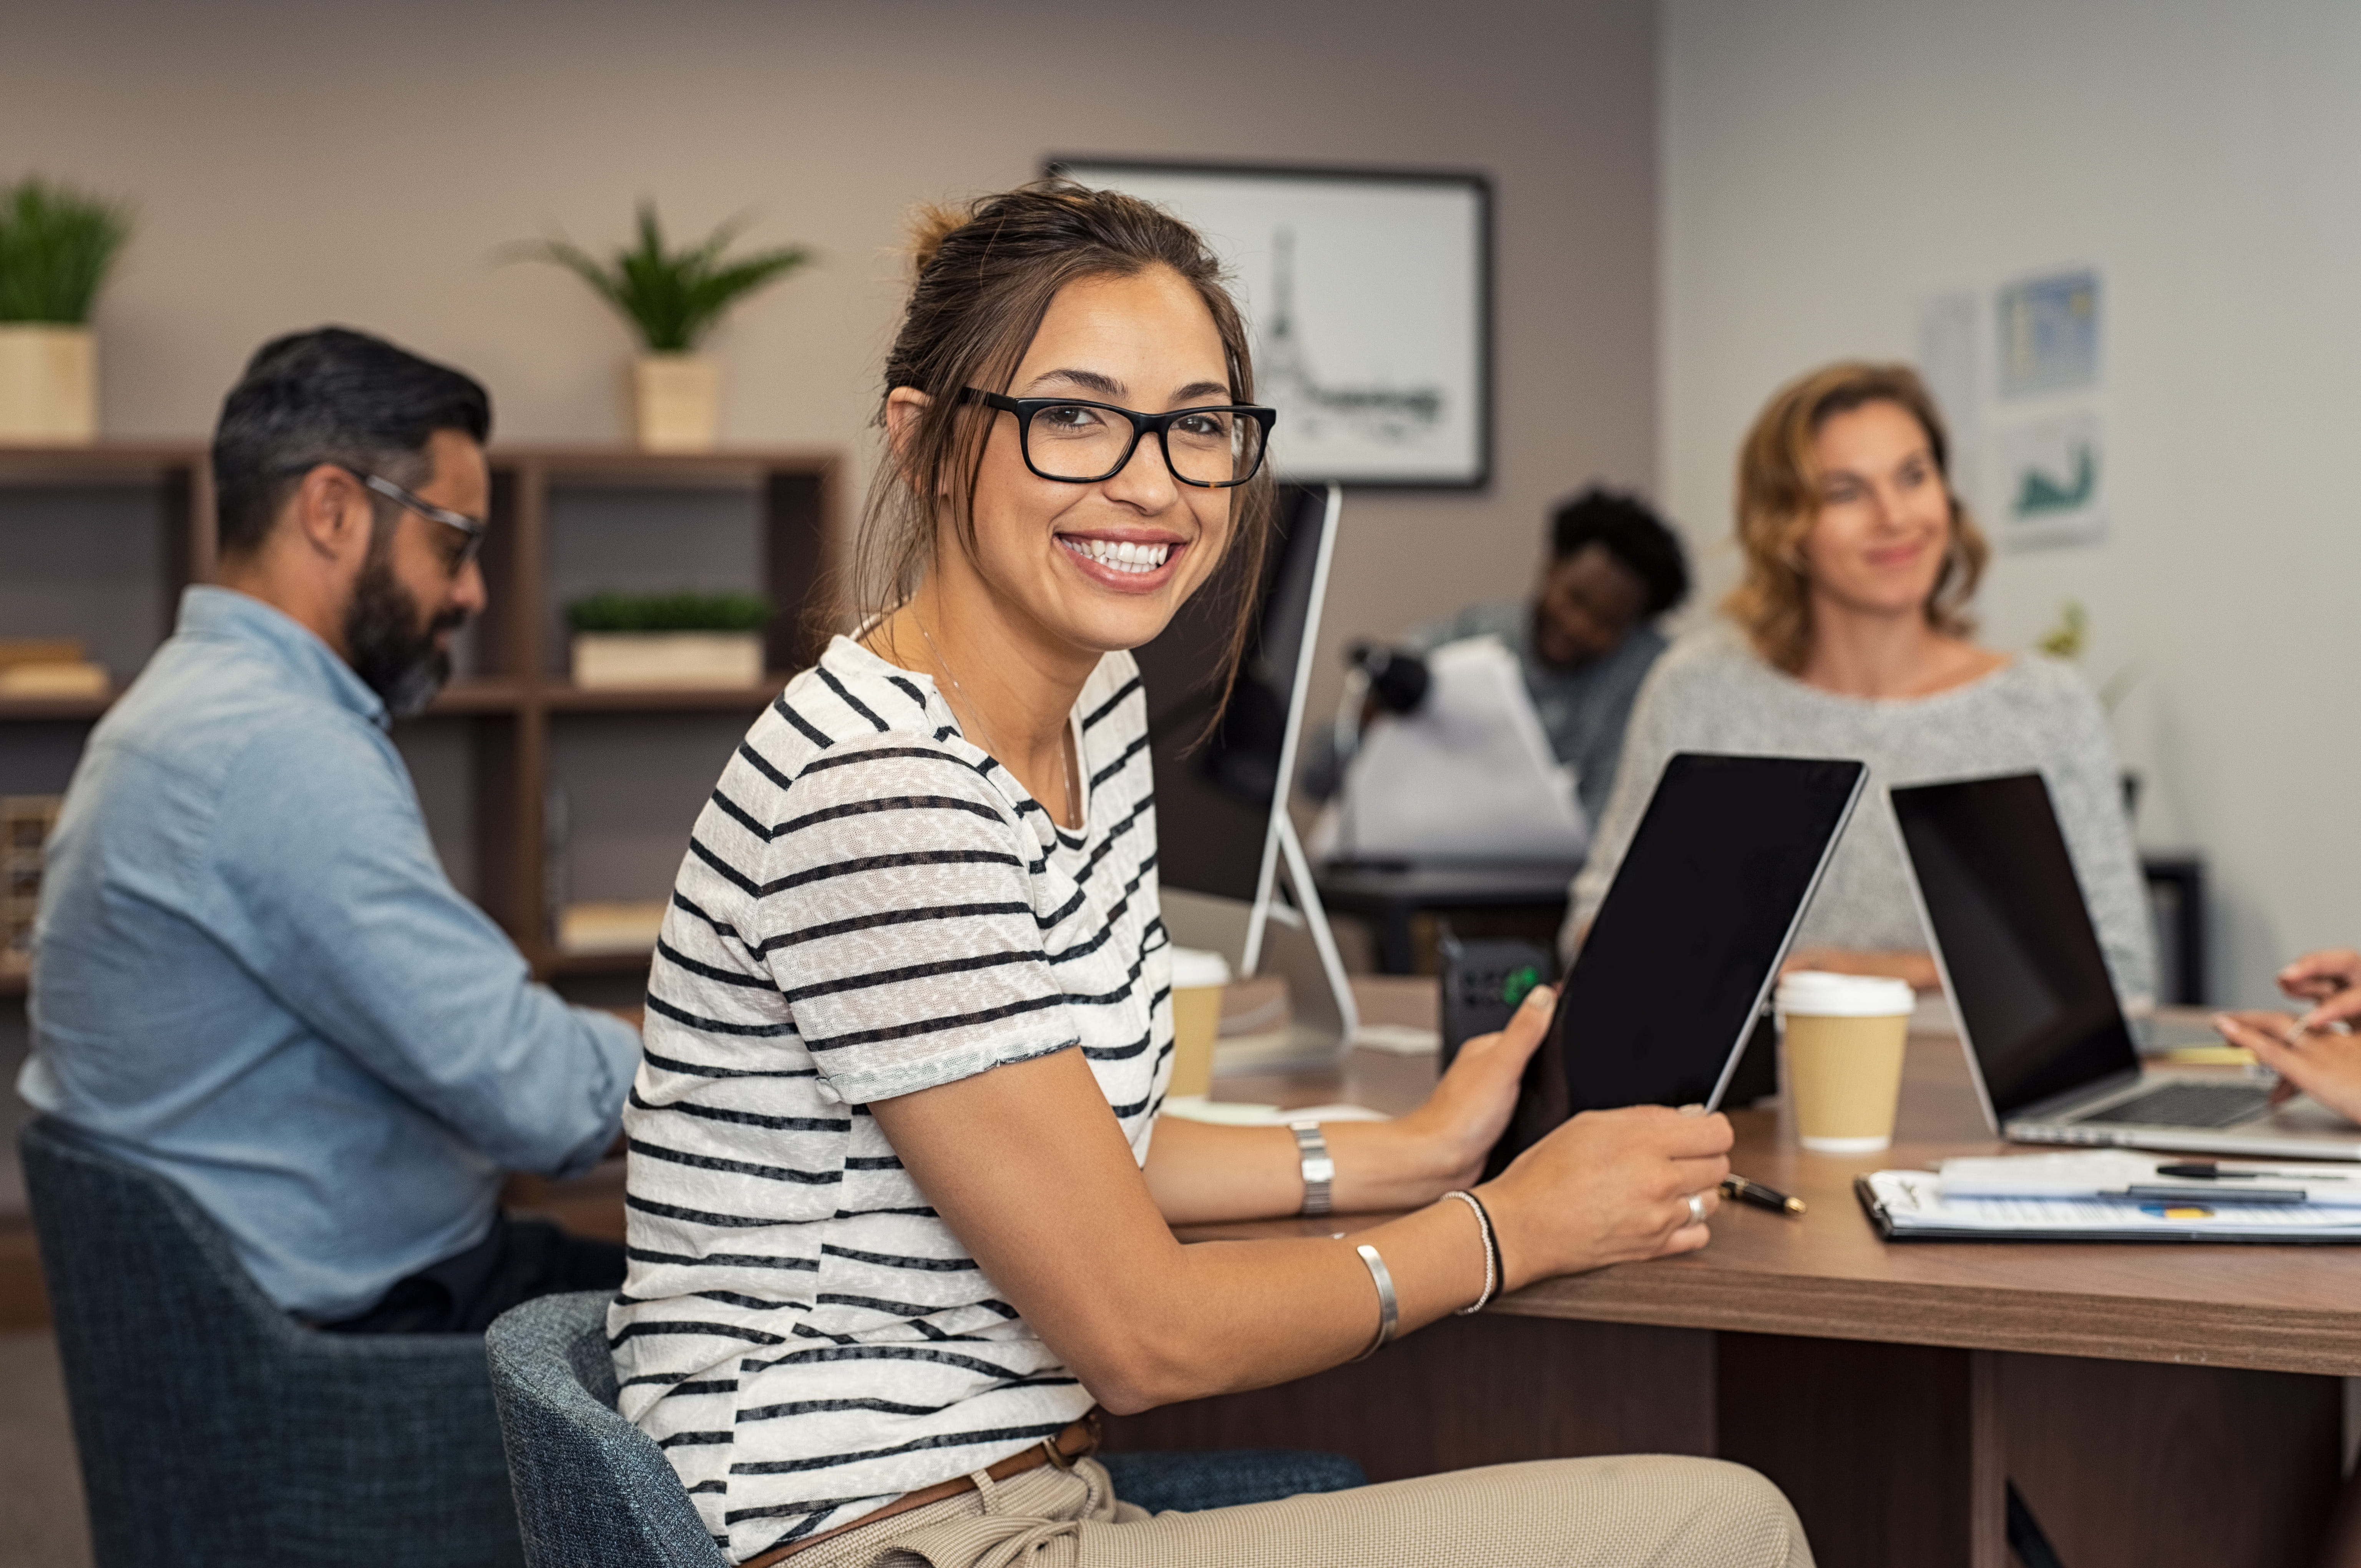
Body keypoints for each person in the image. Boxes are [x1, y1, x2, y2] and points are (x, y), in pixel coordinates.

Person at [610, 182, 1810, 1568]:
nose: (1153, 480)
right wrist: (1504, 1226)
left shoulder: (1094, 703)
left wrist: (1401, 1148)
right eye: (1071, 414)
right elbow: (1141, 1329)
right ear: (928, 439)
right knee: (1723, 1523)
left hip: (1028, 1496)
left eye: (1195, 424)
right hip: (891, 1537)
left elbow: (1078, 1148)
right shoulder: (877, 790)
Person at [22, 327, 640, 1332]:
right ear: (334, 511)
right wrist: (724, 1050)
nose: (473, 592)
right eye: (455, 543)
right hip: (372, 1338)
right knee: (794, 1320)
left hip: (262, 1318)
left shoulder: (178, 712)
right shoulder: (272, 749)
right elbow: (541, 1099)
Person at [1564, 361, 2154, 1001]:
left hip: (1978, 1096)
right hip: (1749, 1095)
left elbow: (2121, 976)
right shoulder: (1698, 690)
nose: (1894, 516)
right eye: (1845, 492)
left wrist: (1864, 975)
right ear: (1783, 528)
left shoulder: (2046, 707)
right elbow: (1594, 931)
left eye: (1913, 476)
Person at [1300, 486, 1689, 828]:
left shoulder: (1648, 675)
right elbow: (1315, 777)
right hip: (1434, 884)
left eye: (1607, 623)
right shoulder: (1462, 640)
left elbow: (1611, 827)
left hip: (1565, 896)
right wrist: (1372, 715)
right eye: (1575, 599)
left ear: (1635, 627)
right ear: (1551, 566)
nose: (1579, 627)